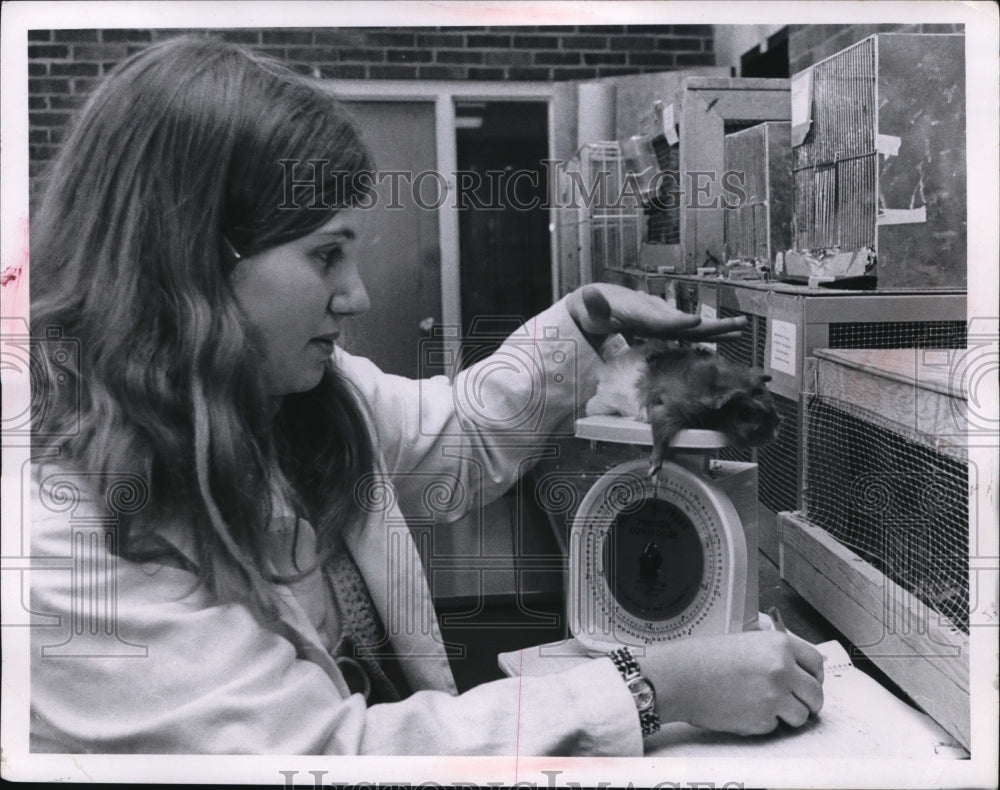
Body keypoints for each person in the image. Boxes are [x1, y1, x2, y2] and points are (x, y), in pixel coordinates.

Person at [28, 35, 824, 755]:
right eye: (326, 256)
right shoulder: (70, 529)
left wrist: (582, 323)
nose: (359, 295)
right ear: (194, 261)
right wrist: (653, 688)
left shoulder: (288, 397)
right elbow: (323, 758)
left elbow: (462, 436)